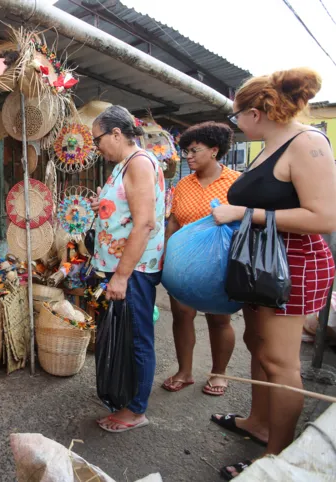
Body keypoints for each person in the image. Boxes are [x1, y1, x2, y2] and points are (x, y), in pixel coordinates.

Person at [210, 67, 336, 480]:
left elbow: (324, 216)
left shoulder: (308, 143)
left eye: (236, 117)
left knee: (281, 362)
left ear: (256, 112)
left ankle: (274, 459)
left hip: (292, 264)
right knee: (258, 346)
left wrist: (244, 213)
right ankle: (257, 422)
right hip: (259, 262)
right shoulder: (268, 146)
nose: (236, 125)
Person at [90, 105, 166, 433]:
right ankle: (127, 398)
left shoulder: (138, 164)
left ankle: (136, 410)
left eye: (98, 140)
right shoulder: (124, 165)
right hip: (124, 268)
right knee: (128, 336)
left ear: (117, 133)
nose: (97, 147)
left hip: (133, 270)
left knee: (137, 338)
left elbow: (145, 222)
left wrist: (121, 276)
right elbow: (125, 211)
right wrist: (102, 205)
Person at [162, 122, 240, 396]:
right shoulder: (184, 184)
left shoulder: (235, 182)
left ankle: (219, 373)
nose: (188, 156)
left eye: (194, 150)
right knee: (182, 317)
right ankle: (185, 372)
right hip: (184, 264)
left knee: (219, 320)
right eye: (185, 151)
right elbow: (173, 221)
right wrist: (166, 255)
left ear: (215, 150)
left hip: (220, 266)